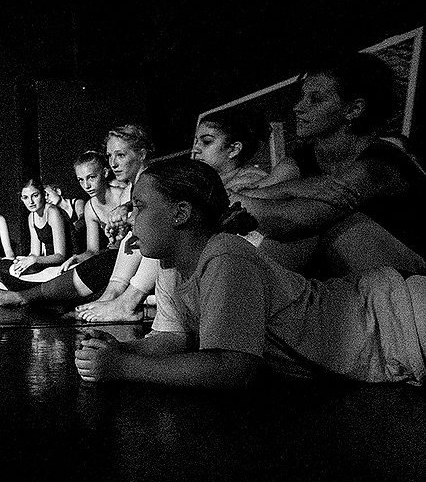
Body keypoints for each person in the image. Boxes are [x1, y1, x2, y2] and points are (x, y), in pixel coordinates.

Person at [75, 157, 426, 386]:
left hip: (397, 319)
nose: (129, 217)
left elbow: (234, 368)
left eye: (139, 207)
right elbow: (175, 338)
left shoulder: (226, 257)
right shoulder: (170, 267)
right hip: (388, 339)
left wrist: (125, 369)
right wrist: (125, 350)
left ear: (181, 213)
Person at [232, 52, 426, 277]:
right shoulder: (304, 157)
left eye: (315, 99)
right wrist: (289, 187)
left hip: (413, 282)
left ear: (353, 109)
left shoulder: (380, 161)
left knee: (321, 224)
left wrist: (269, 197)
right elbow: (248, 196)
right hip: (357, 281)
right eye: (302, 97)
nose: (298, 108)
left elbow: (292, 221)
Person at [72, 107, 272, 323]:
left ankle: (127, 302)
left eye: (206, 142)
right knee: (140, 239)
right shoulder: (203, 183)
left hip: (236, 259)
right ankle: (114, 296)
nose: (195, 150)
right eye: (196, 142)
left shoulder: (251, 179)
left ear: (234, 149)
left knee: (165, 234)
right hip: (210, 255)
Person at [0, 124, 153, 308]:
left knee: (93, 269)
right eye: (110, 156)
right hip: (116, 257)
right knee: (77, 267)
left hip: (131, 257)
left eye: (120, 155)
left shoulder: (134, 188)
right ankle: (25, 292)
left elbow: (146, 225)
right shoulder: (98, 204)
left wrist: (125, 217)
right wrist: (78, 257)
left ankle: (27, 295)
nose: (113, 163)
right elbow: (92, 249)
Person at [0, 179, 72, 280]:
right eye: (25, 197)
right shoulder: (31, 217)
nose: (31, 202)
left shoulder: (52, 212)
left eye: (35, 195)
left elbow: (60, 256)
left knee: (19, 275)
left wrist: (34, 259)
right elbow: (35, 252)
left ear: (43, 194)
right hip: (44, 263)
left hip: (63, 265)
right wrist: (24, 261)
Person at [44, 182, 87, 257]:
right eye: (44, 197)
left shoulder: (77, 203)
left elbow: (82, 221)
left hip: (84, 249)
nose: (46, 199)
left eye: (48, 195)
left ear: (58, 191)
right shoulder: (53, 214)